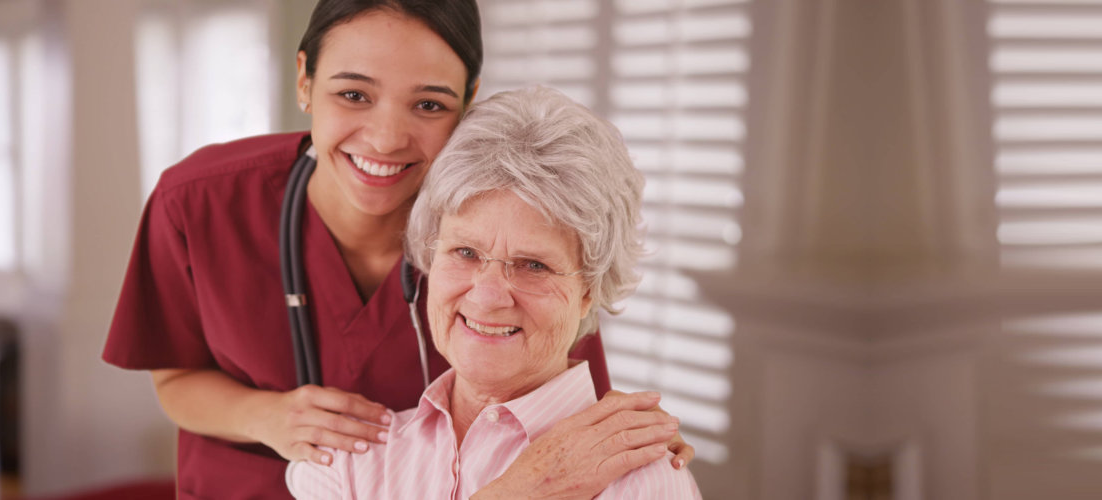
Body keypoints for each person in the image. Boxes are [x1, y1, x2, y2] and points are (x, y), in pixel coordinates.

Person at [101, 1, 692, 498]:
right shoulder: (199, 201)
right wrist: (267, 416)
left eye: (429, 104)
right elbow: (176, 375)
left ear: (468, 100)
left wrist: (635, 451)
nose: (385, 137)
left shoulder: (509, 224)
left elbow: (565, 408)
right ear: (304, 79)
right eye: (354, 94)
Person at [284, 85, 700, 499]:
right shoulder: (346, 463)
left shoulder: (645, 482)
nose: (487, 296)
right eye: (465, 252)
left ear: (589, 288)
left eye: (533, 265)